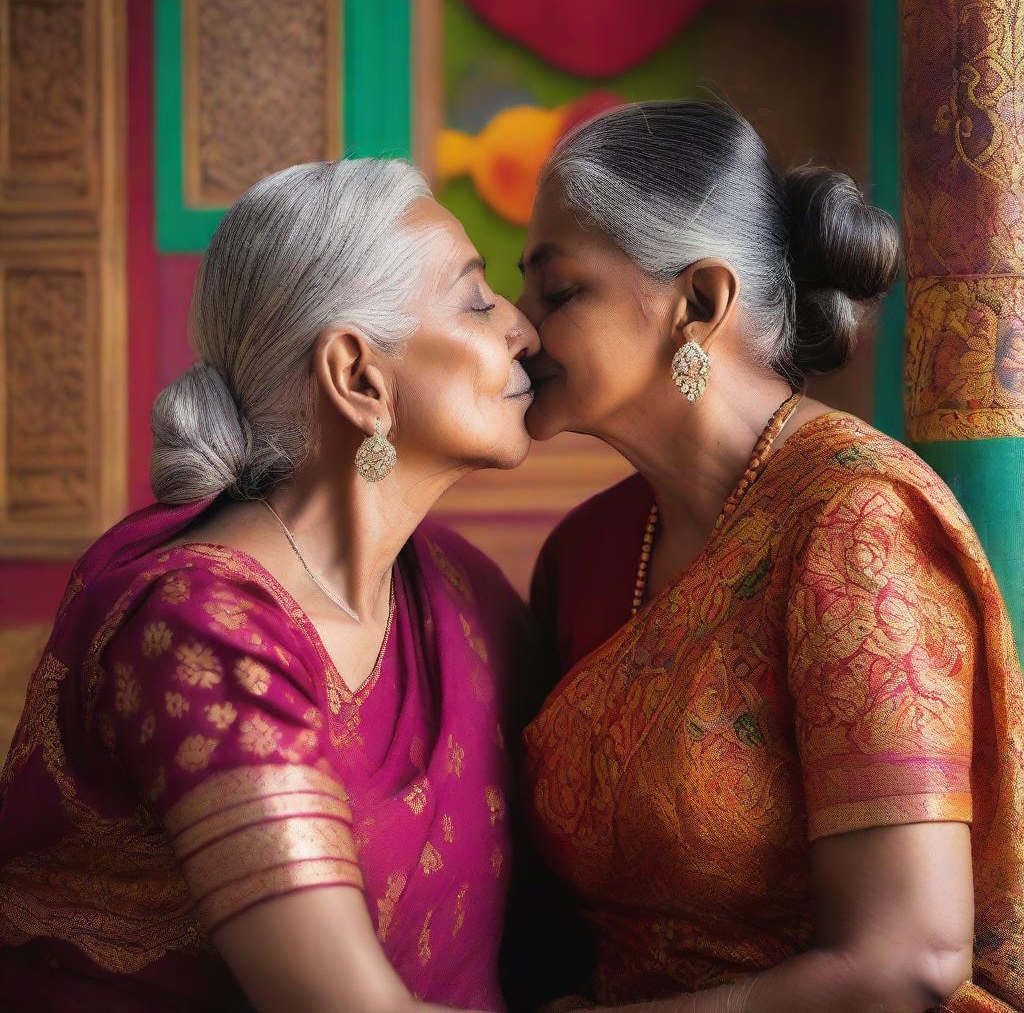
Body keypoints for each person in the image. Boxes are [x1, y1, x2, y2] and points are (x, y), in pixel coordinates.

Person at [518, 101, 1024, 1013]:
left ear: (699, 303)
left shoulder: (857, 524)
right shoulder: (586, 553)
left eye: (557, 294)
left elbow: (907, 957)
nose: (518, 331)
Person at [0, 159, 540, 1013]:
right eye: (477, 300)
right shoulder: (203, 628)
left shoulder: (458, 594)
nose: (525, 331)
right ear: (359, 376)